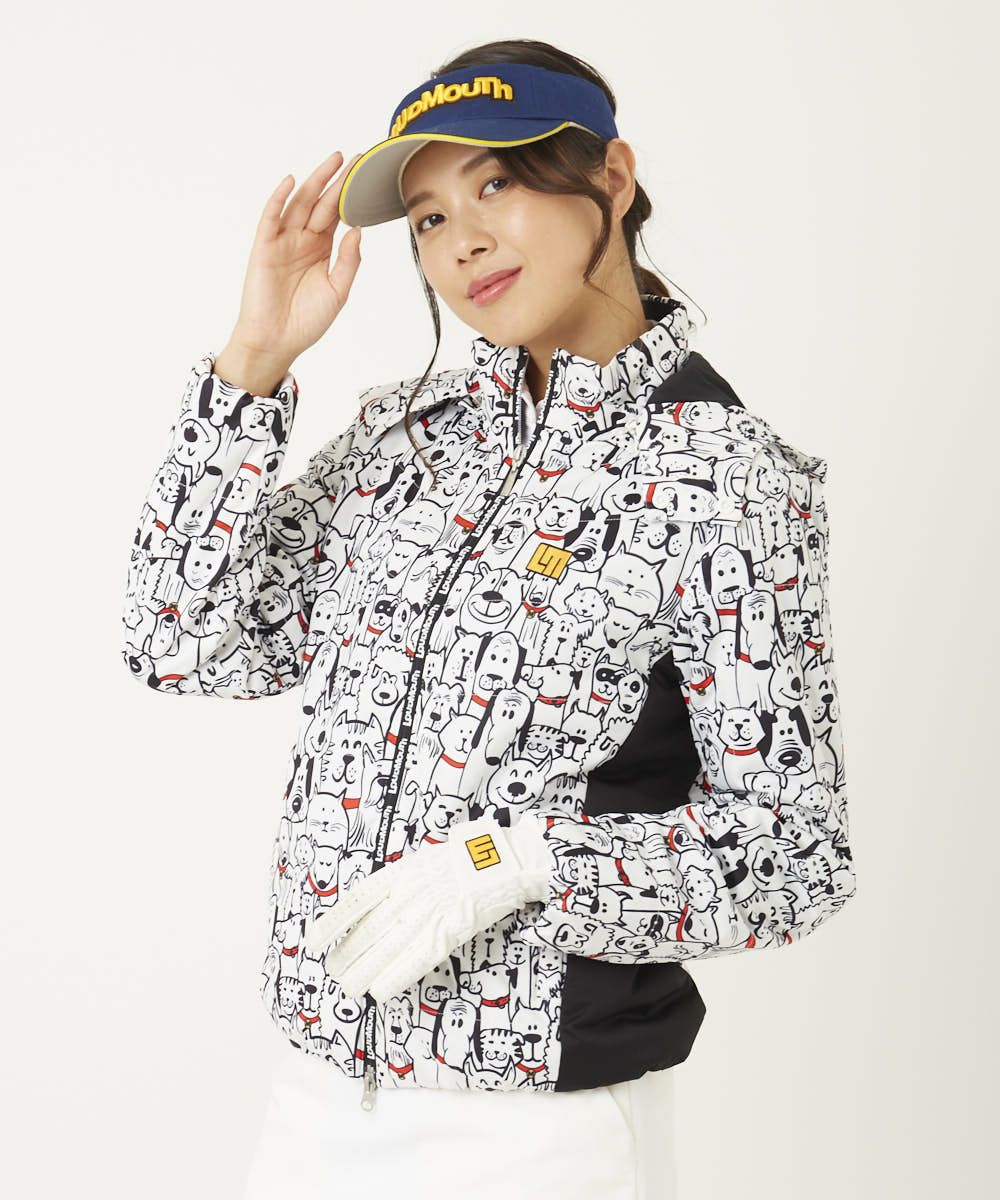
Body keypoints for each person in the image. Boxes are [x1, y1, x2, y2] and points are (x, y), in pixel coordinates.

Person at [120, 38, 857, 1200]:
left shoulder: (724, 478)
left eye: (497, 182)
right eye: (426, 217)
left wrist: (515, 863)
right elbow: (178, 641)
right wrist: (254, 359)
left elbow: (793, 857)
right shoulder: (405, 436)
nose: (460, 241)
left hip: (536, 1130)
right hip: (314, 1098)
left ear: (610, 176)